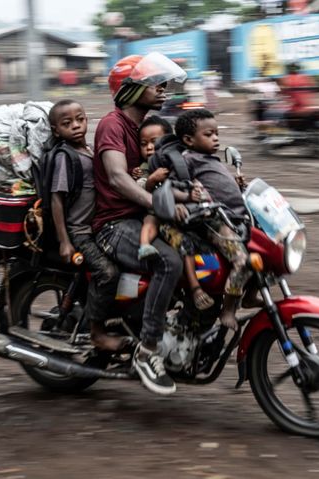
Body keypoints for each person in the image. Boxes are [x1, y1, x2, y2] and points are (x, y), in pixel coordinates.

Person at [92, 53, 188, 395]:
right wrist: (158, 204)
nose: (162, 89)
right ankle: (148, 350)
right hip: (113, 225)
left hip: (137, 218)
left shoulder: (150, 128)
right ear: (130, 89)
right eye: (154, 83)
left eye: (163, 83)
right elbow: (118, 179)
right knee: (168, 261)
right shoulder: (112, 125)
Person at [46, 99, 127, 352]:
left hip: (97, 227)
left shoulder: (90, 151)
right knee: (108, 273)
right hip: (79, 232)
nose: (76, 126)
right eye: (67, 123)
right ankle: (97, 333)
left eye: (80, 119)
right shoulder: (65, 157)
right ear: (56, 130)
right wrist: (65, 241)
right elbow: (56, 199)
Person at [174, 109, 252, 331]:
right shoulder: (186, 161)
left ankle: (251, 294)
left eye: (217, 133)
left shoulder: (210, 159)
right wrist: (185, 197)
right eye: (209, 134)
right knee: (243, 261)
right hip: (214, 222)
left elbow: (218, 186)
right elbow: (179, 187)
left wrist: (238, 186)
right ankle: (228, 309)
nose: (216, 138)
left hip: (235, 216)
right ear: (189, 140)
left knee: (265, 255)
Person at [132, 115, 215, 311]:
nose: (149, 148)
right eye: (144, 144)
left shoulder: (181, 164)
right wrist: (152, 179)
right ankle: (195, 289)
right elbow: (141, 190)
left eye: (155, 142)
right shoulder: (144, 169)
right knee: (183, 244)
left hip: (186, 217)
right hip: (161, 218)